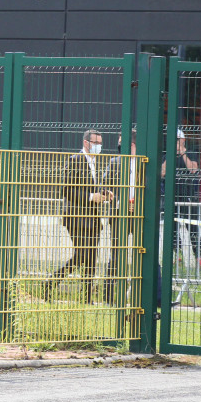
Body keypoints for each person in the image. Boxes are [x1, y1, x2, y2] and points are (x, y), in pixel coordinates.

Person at [46, 128, 113, 303]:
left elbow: (90, 187)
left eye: (100, 143)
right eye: (95, 143)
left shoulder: (93, 162)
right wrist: (91, 197)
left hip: (92, 219)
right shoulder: (75, 160)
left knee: (90, 257)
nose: (99, 146)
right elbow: (67, 190)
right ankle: (51, 282)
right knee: (82, 255)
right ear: (86, 143)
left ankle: (86, 297)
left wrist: (104, 193)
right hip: (77, 218)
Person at [102, 129, 139, 305]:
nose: (118, 145)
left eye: (121, 142)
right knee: (116, 255)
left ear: (131, 145)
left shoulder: (144, 162)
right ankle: (108, 297)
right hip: (118, 215)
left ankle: (140, 296)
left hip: (140, 216)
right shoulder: (114, 162)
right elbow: (104, 185)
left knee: (142, 253)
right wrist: (116, 199)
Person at [161, 128, 201, 268]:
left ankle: (199, 257)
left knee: (193, 228)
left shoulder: (190, 154)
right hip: (171, 197)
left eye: (177, 141)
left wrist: (183, 153)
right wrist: (170, 155)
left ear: (183, 140)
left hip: (187, 197)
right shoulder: (167, 156)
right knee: (172, 228)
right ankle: (177, 256)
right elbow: (162, 172)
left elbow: (193, 169)